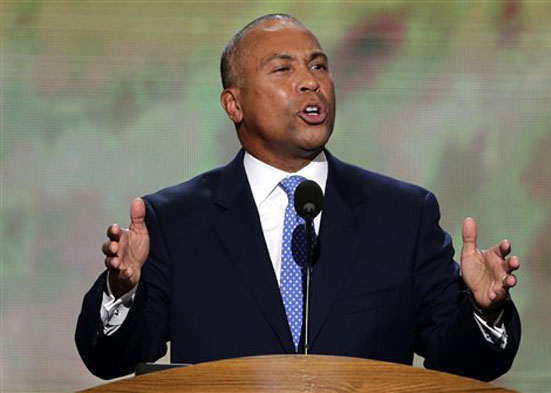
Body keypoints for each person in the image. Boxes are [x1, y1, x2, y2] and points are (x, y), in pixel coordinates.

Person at [76, 14, 521, 382]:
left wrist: (485, 310)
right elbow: (112, 361)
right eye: (283, 69)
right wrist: (121, 292)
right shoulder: (175, 220)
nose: (311, 83)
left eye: (319, 66)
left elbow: (463, 363)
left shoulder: (402, 215)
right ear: (234, 105)